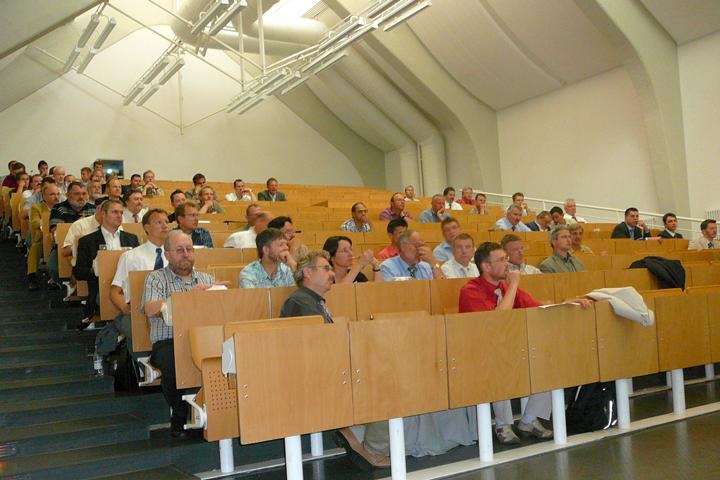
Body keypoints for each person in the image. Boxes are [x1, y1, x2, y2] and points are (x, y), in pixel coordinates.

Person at [458, 242, 554, 444]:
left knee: (545, 359)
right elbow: (497, 321)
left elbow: (537, 307)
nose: (507, 264)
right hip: (479, 351)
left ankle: (529, 420)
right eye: (501, 260)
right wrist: (514, 285)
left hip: (507, 345)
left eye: (506, 259)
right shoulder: (470, 290)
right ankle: (503, 424)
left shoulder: (505, 287)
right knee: (497, 361)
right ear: (486, 266)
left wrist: (570, 302)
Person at [141, 230, 216, 438]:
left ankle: (214, 412)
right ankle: (180, 415)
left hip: (201, 338)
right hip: (168, 341)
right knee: (174, 360)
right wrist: (188, 297)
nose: (186, 254)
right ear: (167, 254)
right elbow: (149, 309)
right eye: (180, 250)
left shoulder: (206, 278)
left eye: (189, 249)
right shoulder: (156, 278)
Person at [110, 209, 170, 348]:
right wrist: (127, 309)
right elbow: (115, 291)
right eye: (159, 222)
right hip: (139, 311)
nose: (165, 225)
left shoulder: (176, 256)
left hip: (169, 310)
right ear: (146, 227)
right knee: (140, 333)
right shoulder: (131, 256)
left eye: (167, 222)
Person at [74, 199, 139, 325]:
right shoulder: (87, 241)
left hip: (128, 288)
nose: (119, 215)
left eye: (121, 212)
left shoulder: (131, 239)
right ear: (103, 214)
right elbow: (78, 272)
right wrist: (94, 270)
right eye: (114, 212)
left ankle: (119, 329)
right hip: (101, 289)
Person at [279, 250, 335, 323]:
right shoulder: (300, 302)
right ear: (308, 272)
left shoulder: (311, 300)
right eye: (326, 268)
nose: (333, 274)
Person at [27, 183, 61, 290]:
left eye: (58, 194)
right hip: (43, 236)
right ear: (44, 196)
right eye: (52, 194)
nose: (56, 197)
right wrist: (45, 224)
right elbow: (35, 222)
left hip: (60, 236)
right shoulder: (37, 207)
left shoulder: (62, 207)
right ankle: (32, 276)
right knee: (35, 247)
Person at [379, 230, 445, 281]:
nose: (421, 250)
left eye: (423, 246)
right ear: (403, 247)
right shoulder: (388, 267)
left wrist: (434, 263)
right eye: (417, 246)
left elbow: (442, 287)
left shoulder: (426, 266)